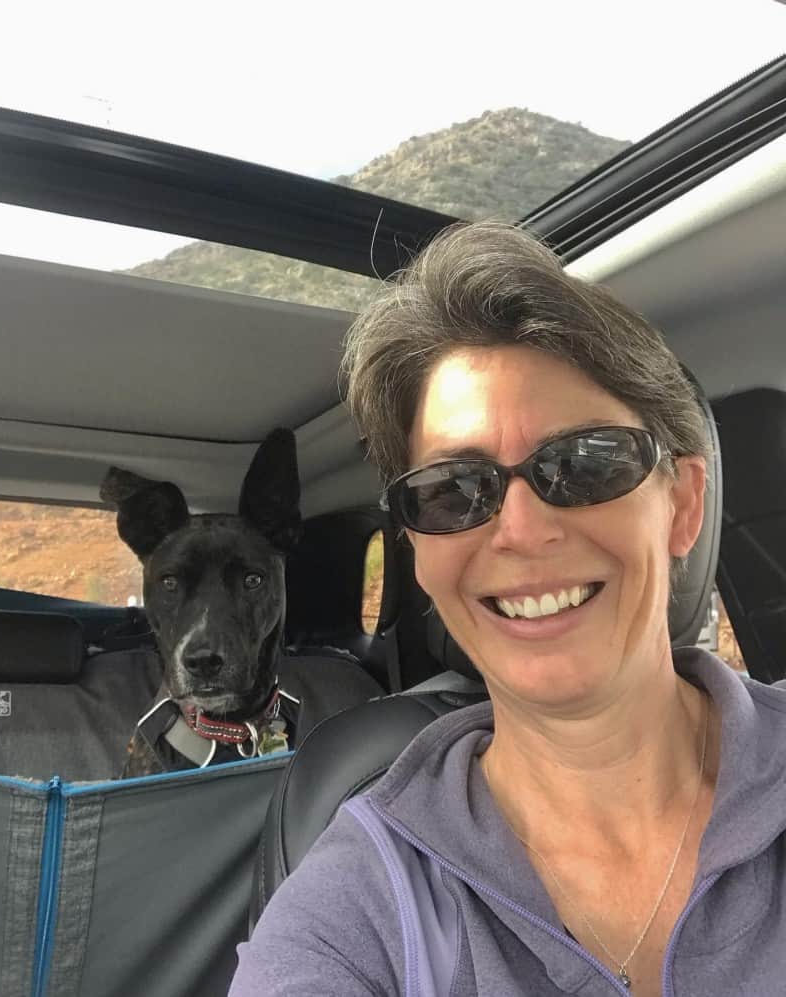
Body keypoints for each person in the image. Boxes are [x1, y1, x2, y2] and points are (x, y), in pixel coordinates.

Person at [229, 222, 786, 996]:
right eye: (454, 490)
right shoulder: (359, 911)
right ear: (420, 553)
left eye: (585, 463)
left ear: (683, 504)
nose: (521, 531)